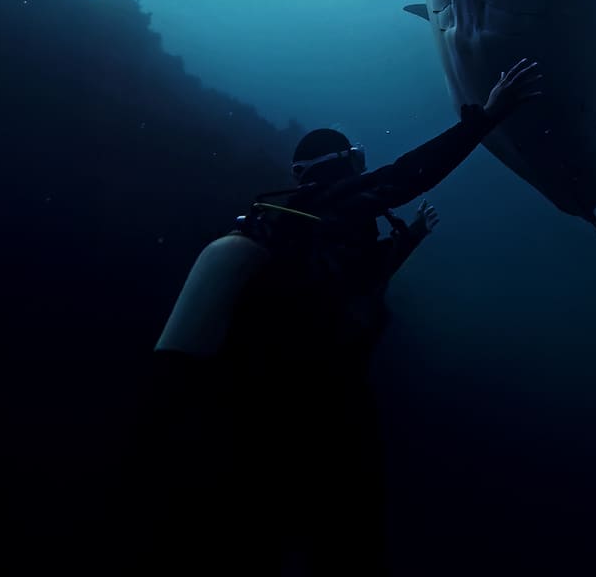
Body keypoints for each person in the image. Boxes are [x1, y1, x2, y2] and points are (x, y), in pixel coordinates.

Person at [137, 59, 543, 575]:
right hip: (303, 424)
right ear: (342, 166)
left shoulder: (312, 234)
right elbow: (402, 179)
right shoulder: (327, 207)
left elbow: (353, 283)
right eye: (356, 162)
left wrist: (407, 241)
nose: (361, 172)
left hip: (285, 424)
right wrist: (483, 118)